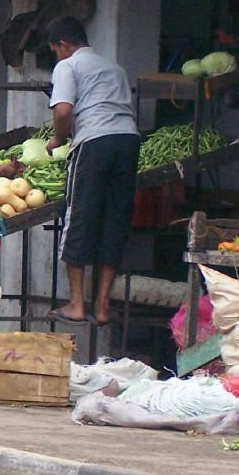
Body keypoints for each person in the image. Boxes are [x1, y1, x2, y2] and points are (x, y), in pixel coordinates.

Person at [45, 16, 141, 326]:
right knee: (115, 219)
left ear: (63, 45)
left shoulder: (68, 66)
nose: (57, 57)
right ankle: (101, 306)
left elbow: (63, 111)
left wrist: (58, 139)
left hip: (94, 143)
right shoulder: (115, 68)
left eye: (55, 51)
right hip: (128, 142)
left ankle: (76, 304)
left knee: (79, 217)